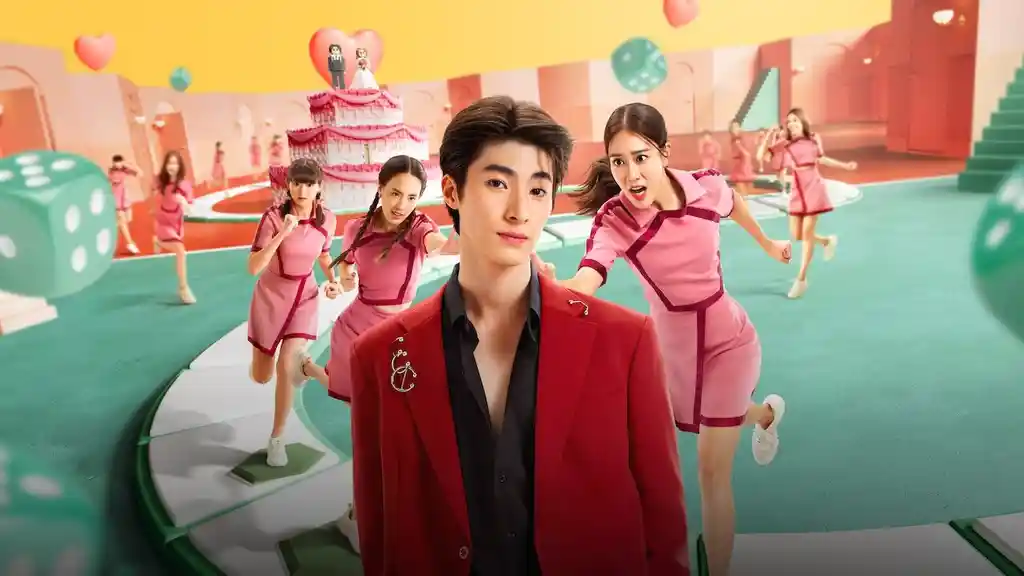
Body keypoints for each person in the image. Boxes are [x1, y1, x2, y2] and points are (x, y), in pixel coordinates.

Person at [349, 96, 690, 576]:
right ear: (451, 191)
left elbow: (664, 530)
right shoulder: (378, 357)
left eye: (537, 189)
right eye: (497, 183)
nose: (519, 211)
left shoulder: (626, 343)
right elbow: (379, 539)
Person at [559, 103, 790, 576]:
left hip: (730, 341)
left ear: (664, 152)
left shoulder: (706, 188)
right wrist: (546, 288)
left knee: (710, 468)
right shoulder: (616, 219)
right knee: (709, 420)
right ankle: (766, 415)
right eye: (619, 161)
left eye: (641, 157)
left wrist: (769, 244)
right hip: (674, 354)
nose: (630, 174)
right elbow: (588, 276)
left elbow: (735, 203)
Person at [296, 155, 449, 551]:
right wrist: (339, 285)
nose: (401, 204)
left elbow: (438, 244)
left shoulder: (419, 226)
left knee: (401, 427)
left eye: (411, 197)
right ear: (380, 188)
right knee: (369, 429)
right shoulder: (355, 229)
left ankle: (309, 369)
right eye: (395, 193)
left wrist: (470, 234)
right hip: (357, 331)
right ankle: (356, 515)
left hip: (399, 336)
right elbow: (348, 274)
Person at [247, 158, 338, 467]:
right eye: (297, 183)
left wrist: (333, 280)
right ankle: (284, 367)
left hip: (305, 296)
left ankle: (277, 438)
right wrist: (283, 234)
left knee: (286, 364)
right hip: (271, 298)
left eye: (309, 184)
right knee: (262, 376)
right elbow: (253, 267)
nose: (302, 190)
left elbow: (324, 255)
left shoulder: (328, 220)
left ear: (318, 187)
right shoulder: (273, 218)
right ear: (288, 185)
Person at [756, 108, 857, 299]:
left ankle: (801, 279)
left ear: (802, 122)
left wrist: (845, 166)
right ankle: (827, 241)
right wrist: (769, 135)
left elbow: (822, 158)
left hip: (814, 186)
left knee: (808, 233)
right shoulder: (785, 143)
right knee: (797, 235)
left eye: (795, 120)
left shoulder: (813, 139)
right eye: (788, 122)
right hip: (797, 189)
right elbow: (762, 156)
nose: (791, 124)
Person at [151, 150, 196, 305]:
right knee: (180, 251)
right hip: (163, 221)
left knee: (178, 249)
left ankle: (158, 241)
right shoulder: (160, 181)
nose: (172, 166)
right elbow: (152, 191)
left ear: (180, 166)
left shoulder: (185, 185)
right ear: (165, 165)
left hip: (176, 222)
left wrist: (183, 202)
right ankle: (183, 288)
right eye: (169, 163)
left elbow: (191, 210)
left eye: (175, 163)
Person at [108, 154, 142, 255]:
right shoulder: (112, 172)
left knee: (121, 223)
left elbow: (139, 173)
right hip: (115, 200)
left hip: (123, 200)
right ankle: (130, 243)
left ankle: (111, 245)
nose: (117, 164)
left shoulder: (124, 170)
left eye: (119, 162)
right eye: (115, 162)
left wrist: (129, 164)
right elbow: (111, 181)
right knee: (122, 222)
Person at [727, 119, 756, 196]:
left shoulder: (742, 138)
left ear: (740, 128)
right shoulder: (733, 139)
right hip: (738, 164)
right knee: (742, 189)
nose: (735, 129)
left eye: (737, 127)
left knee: (747, 189)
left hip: (744, 164)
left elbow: (747, 153)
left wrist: (740, 147)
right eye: (733, 127)